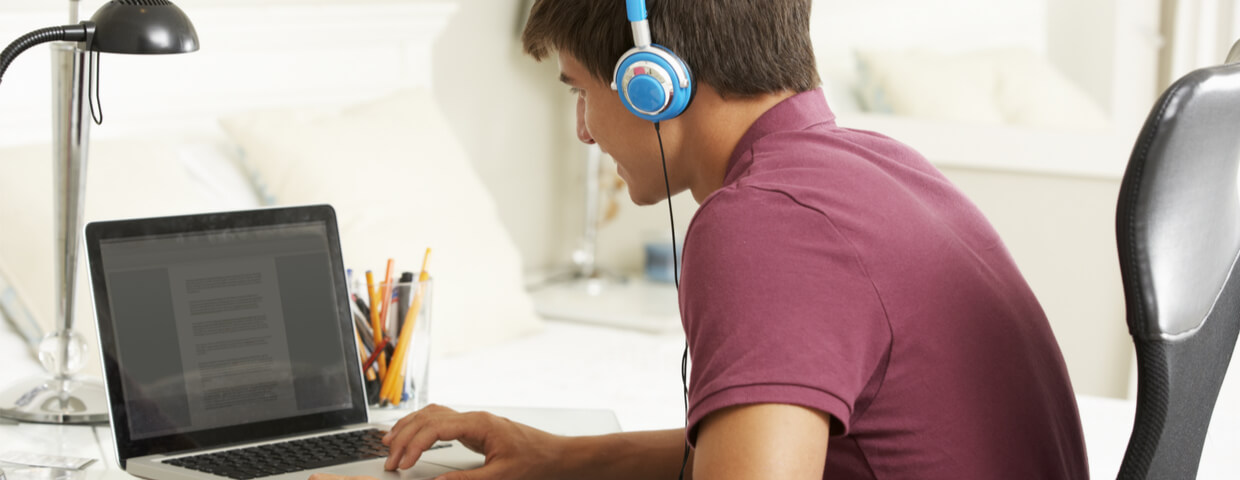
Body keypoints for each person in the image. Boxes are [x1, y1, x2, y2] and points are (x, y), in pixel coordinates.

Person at [314, 0, 1089, 478]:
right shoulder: (876, 166)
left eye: (582, 91)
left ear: (654, 79)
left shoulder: (763, 225)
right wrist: (558, 458)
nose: (583, 131)